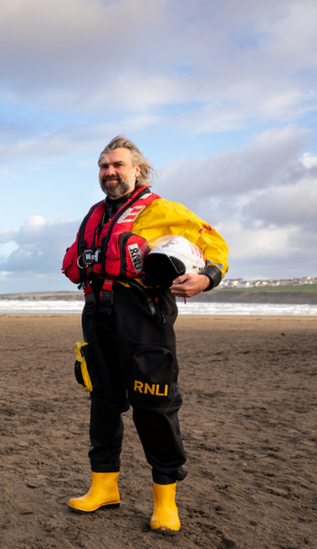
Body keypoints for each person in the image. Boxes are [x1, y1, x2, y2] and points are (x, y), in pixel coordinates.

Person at [61, 136, 229, 533]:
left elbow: (213, 242)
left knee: (155, 407)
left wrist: (206, 278)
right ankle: (104, 487)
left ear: (138, 170)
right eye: (104, 166)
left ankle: (165, 501)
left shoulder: (162, 210)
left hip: (144, 318)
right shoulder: (93, 215)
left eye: (118, 165)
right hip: (97, 317)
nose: (110, 172)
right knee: (102, 402)